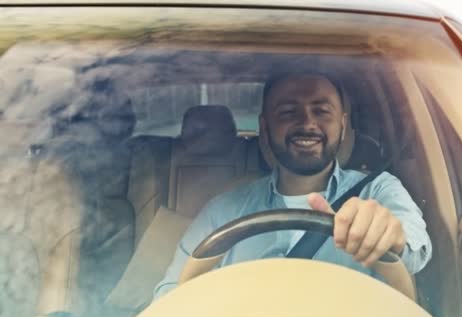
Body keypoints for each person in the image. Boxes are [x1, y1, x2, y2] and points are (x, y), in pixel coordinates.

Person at [153, 72, 432, 299]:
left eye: (322, 111)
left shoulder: (379, 192)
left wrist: (388, 234)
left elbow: (414, 250)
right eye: (288, 112)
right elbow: (169, 298)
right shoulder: (224, 211)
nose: (307, 123)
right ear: (265, 126)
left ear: (343, 125)